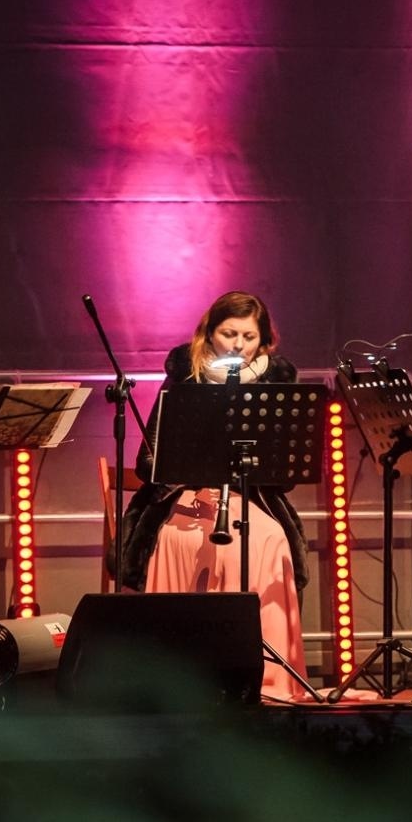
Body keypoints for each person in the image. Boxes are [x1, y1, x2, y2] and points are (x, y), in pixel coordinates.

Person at [113, 290, 312, 700]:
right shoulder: (186, 373)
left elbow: (283, 474)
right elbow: (148, 460)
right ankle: (178, 674)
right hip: (186, 494)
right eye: (228, 333)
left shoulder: (276, 379)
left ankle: (264, 676)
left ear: (264, 340)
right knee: (179, 538)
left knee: (269, 540)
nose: (238, 344)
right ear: (209, 332)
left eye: (248, 336)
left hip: (248, 494)